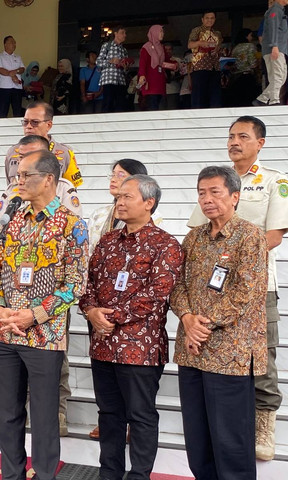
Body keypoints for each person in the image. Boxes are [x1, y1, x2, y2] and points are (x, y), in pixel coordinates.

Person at [187, 115, 288, 461]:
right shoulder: (213, 180)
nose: (234, 142)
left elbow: (273, 235)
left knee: (261, 356)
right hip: (209, 290)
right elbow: (197, 233)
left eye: (243, 136)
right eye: (231, 136)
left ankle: (263, 425)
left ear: (260, 143)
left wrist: (237, 255)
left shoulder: (274, 181)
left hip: (256, 284)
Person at [0, 150, 88, 480]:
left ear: (48, 179)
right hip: (5, 332)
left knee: (44, 418)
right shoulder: (12, 220)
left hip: (44, 337)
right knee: (6, 413)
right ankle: (12, 475)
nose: (18, 181)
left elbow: (76, 284)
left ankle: (45, 474)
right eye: (16, 175)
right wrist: (0, 308)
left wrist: (34, 315)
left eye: (25, 175)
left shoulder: (72, 225)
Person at [80, 175, 183, 480]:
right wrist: (91, 310)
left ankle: (139, 475)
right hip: (103, 345)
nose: (120, 202)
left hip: (140, 348)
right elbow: (87, 283)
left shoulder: (166, 244)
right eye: (118, 197)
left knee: (140, 416)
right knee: (109, 415)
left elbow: (158, 293)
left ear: (149, 203)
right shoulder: (108, 240)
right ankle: (109, 473)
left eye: (127, 197)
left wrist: (110, 316)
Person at [172, 166, 268, 480]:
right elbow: (176, 285)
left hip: (230, 355)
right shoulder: (194, 237)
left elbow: (247, 292)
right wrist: (187, 319)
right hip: (193, 351)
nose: (207, 199)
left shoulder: (249, 235)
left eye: (215, 192)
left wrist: (204, 323)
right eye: (202, 192)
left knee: (231, 443)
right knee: (197, 441)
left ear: (235, 197)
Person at [4, 101, 82, 188]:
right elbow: (10, 187)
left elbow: (71, 188)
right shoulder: (12, 152)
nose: (28, 126)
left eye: (35, 122)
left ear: (49, 125)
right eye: (25, 122)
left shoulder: (64, 153)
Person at [253, 0, 288, 106]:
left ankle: (262, 99)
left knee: (281, 76)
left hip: (279, 48)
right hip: (275, 48)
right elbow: (273, 29)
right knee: (277, 76)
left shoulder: (280, 10)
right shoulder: (275, 10)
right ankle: (274, 100)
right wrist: (274, 46)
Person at [188, 12, 223, 108]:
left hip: (214, 66)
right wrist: (200, 43)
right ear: (202, 19)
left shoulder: (217, 33)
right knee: (199, 95)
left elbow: (219, 48)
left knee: (215, 95)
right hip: (200, 65)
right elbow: (190, 44)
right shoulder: (197, 30)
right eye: (207, 18)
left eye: (212, 18)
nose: (209, 20)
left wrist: (216, 50)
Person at [97, 27, 129, 113]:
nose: (124, 35)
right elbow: (98, 62)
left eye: (125, 33)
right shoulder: (106, 46)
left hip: (120, 80)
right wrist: (110, 61)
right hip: (109, 79)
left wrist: (125, 67)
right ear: (115, 33)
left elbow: (126, 70)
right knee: (108, 103)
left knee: (120, 105)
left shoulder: (124, 50)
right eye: (122, 33)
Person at [228, 29, 261, 107]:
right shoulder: (251, 46)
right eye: (250, 35)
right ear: (246, 36)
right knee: (248, 102)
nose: (252, 38)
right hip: (248, 77)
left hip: (236, 78)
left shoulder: (235, 48)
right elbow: (253, 63)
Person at [138, 25, 167, 111]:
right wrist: (142, 75)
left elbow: (167, 61)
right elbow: (142, 63)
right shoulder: (146, 47)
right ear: (154, 33)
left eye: (162, 31)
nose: (162, 34)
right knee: (152, 107)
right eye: (160, 31)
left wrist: (176, 65)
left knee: (159, 106)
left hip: (160, 82)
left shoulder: (162, 47)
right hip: (150, 84)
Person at [0, 35, 25, 117]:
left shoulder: (18, 57)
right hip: (4, 87)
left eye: (15, 43)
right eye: (12, 42)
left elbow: (22, 69)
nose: (14, 44)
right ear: (5, 44)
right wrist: (11, 75)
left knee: (17, 111)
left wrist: (16, 71)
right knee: (3, 111)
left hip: (17, 87)